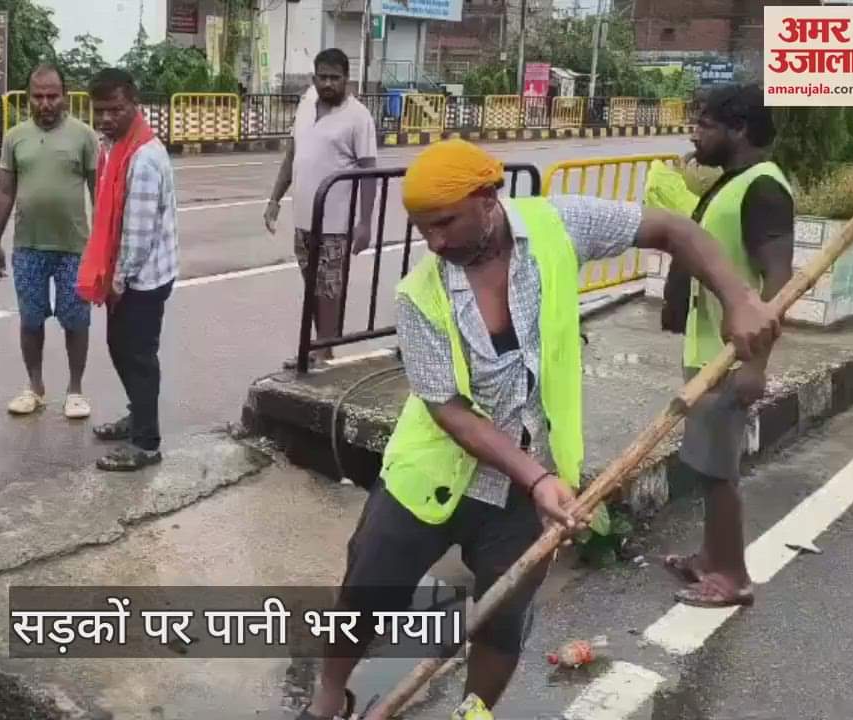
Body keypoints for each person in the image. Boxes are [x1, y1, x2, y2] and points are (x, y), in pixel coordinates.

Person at [296, 139, 782, 720]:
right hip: (432, 475)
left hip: (531, 485)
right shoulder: (420, 294)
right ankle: (329, 696)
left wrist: (738, 297)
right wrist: (536, 479)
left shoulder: (557, 226)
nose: (435, 242)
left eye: (445, 222)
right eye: (423, 229)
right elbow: (447, 409)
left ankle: (473, 713)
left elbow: (677, 231)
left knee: (503, 622)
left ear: (488, 196)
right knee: (365, 594)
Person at [659, 83, 794, 608]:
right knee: (706, 462)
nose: (695, 132)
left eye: (706, 123)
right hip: (710, 351)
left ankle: (732, 577)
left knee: (720, 471)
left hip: (731, 357)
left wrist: (755, 364)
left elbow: (779, 281)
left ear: (739, 129)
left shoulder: (763, 187)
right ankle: (710, 558)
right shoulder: (733, 183)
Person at [79, 68, 179, 472]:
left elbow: (138, 236)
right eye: (99, 110)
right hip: (131, 273)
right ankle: (137, 416)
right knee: (123, 350)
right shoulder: (115, 146)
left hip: (143, 277)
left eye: (115, 110)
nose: (106, 119)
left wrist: (116, 282)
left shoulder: (142, 157)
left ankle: (146, 442)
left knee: (136, 356)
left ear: (133, 106)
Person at [0, 64, 100, 420]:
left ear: (64, 97)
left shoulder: (84, 136)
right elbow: (4, 192)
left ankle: (76, 390)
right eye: (38, 96)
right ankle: (34, 387)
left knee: (76, 320)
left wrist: (104, 246)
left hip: (75, 248)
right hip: (28, 247)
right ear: (27, 98)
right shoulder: (15, 137)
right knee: (31, 319)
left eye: (53, 95)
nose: (46, 103)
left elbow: (100, 194)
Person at [264, 48, 378, 369]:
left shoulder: (358, 117)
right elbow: (292, 155)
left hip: (335, 223)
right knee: (312, 285)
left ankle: (324, 350)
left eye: (335, 78)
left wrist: (365, 222)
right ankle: (319, 346)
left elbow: (369, 171)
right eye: (322, 77)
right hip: (304, 219)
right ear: (314, 77)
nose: (328, 84)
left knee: (328, 288)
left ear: (347, 79)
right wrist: (274, 200)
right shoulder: (305, 103)